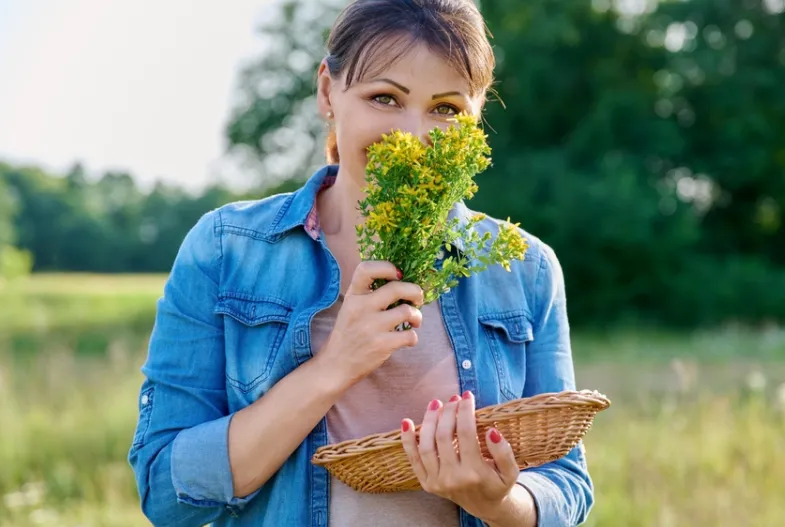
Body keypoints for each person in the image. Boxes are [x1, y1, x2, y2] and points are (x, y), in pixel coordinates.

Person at [127, 0, 595, 525]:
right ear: (328, 91)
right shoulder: (225, 249)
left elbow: (565, 485)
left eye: (446, 109)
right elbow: (167, 495)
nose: (414, 137)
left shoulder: (525, 268)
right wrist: (334, 366)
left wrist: (499, 503)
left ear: (476, 118)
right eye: (385, 98)